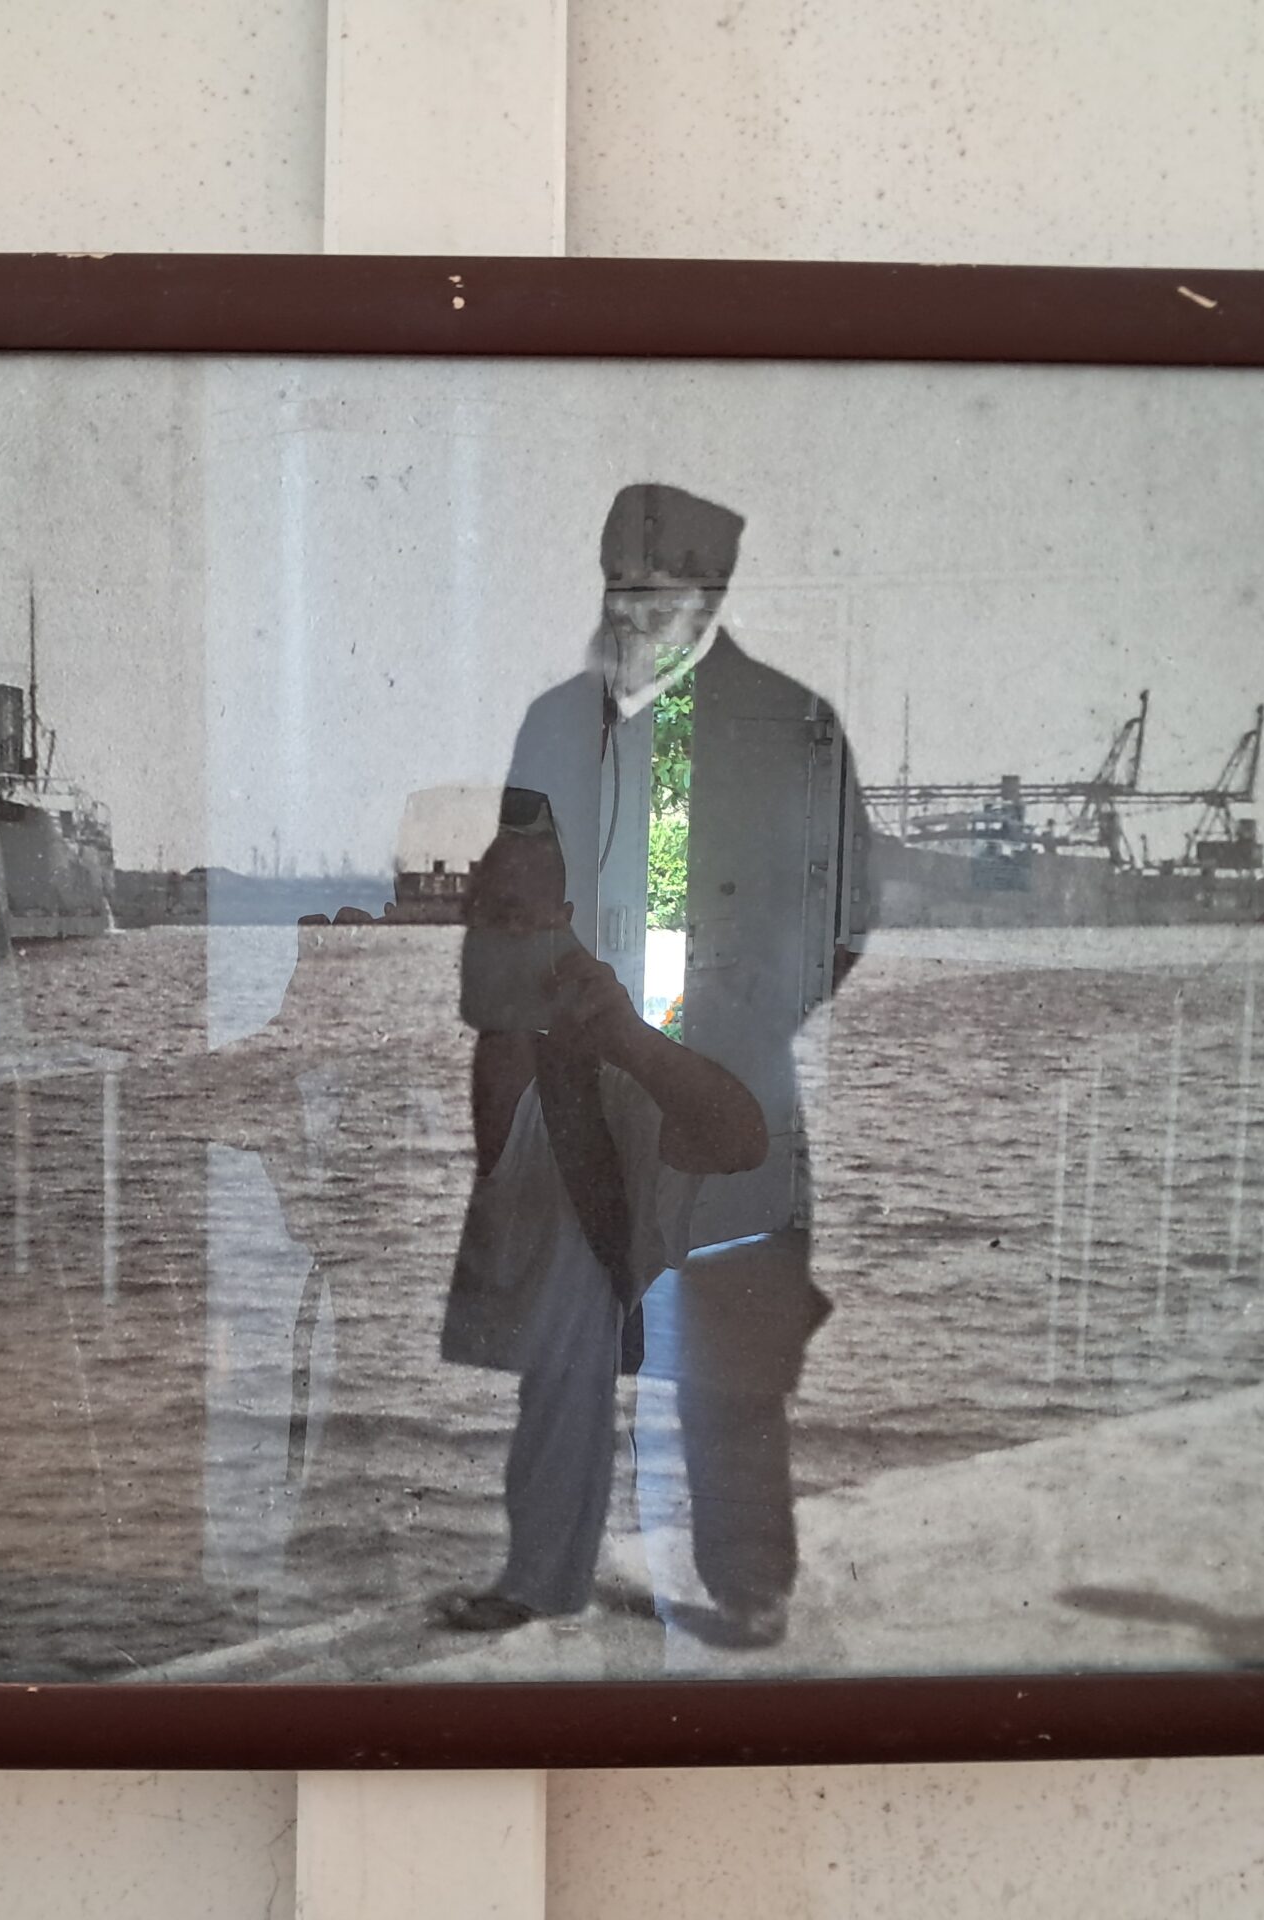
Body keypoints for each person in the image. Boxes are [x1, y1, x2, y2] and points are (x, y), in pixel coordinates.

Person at [499, 482, 875, 1650]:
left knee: (731, 1342)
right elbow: (508, 903)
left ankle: (748, 1586)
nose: (627, 612)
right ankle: (540, 1577)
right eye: (615, 588)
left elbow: (844, 917)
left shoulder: (794, 723)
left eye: (653, 595)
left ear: (710, 597)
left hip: (719, 1094)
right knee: (560, 1343)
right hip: (577, 1089)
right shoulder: (554, 722)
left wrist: (735, 1034)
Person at [432, 813, 768, 1631]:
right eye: (461, 911)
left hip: (521, 1573)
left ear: (560, 924)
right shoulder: (397, 1066)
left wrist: (628, 1037)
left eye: (507, 914)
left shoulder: (594, 1085)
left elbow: (740, 1140)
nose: (476, 937)